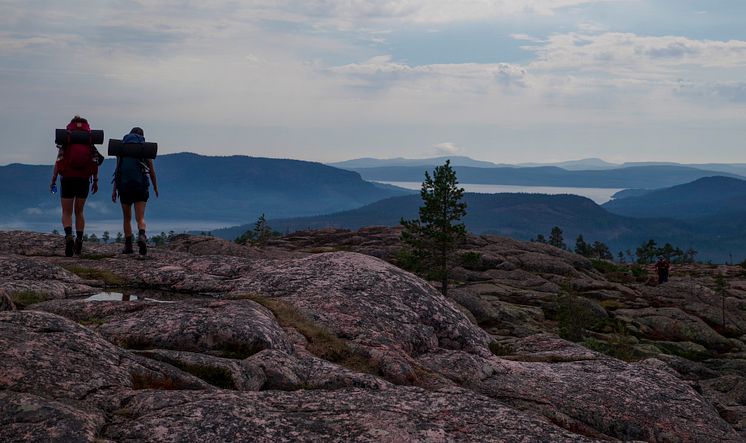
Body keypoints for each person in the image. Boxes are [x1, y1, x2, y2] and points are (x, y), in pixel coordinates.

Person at [50, 115, 99, 257]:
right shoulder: (89, 141)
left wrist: (53, 180)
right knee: (79, 212)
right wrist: (95, 181)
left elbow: (59, 161)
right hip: (84, 179)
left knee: (66, 212)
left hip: (67, 179)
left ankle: (68, 236)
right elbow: (95, 162)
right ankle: (79, 239)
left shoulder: (67, 140)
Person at [112, 127, 159, 255]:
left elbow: (117, 171)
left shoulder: (122, 149)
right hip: (141, 187)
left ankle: (128, 246)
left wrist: (114, 189)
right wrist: (155, 187)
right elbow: (152, 172)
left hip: (125, 187)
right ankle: (142, 236)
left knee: (127, 218)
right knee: (140, 217)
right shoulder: (144, 150)